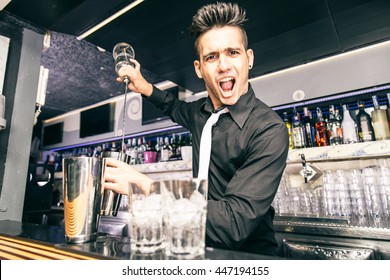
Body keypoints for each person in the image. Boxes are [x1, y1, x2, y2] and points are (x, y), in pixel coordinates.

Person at [103, 2, 289, 256]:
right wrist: (144, 86)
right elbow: (173, 106)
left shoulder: (268, 130)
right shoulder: (201, 114)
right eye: (211, 57)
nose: (223, 65)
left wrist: (146, 187)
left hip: (248, 256)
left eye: (233, 52)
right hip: (197, 248)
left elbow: (234, 223)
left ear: (249, 59)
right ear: (199, 68)